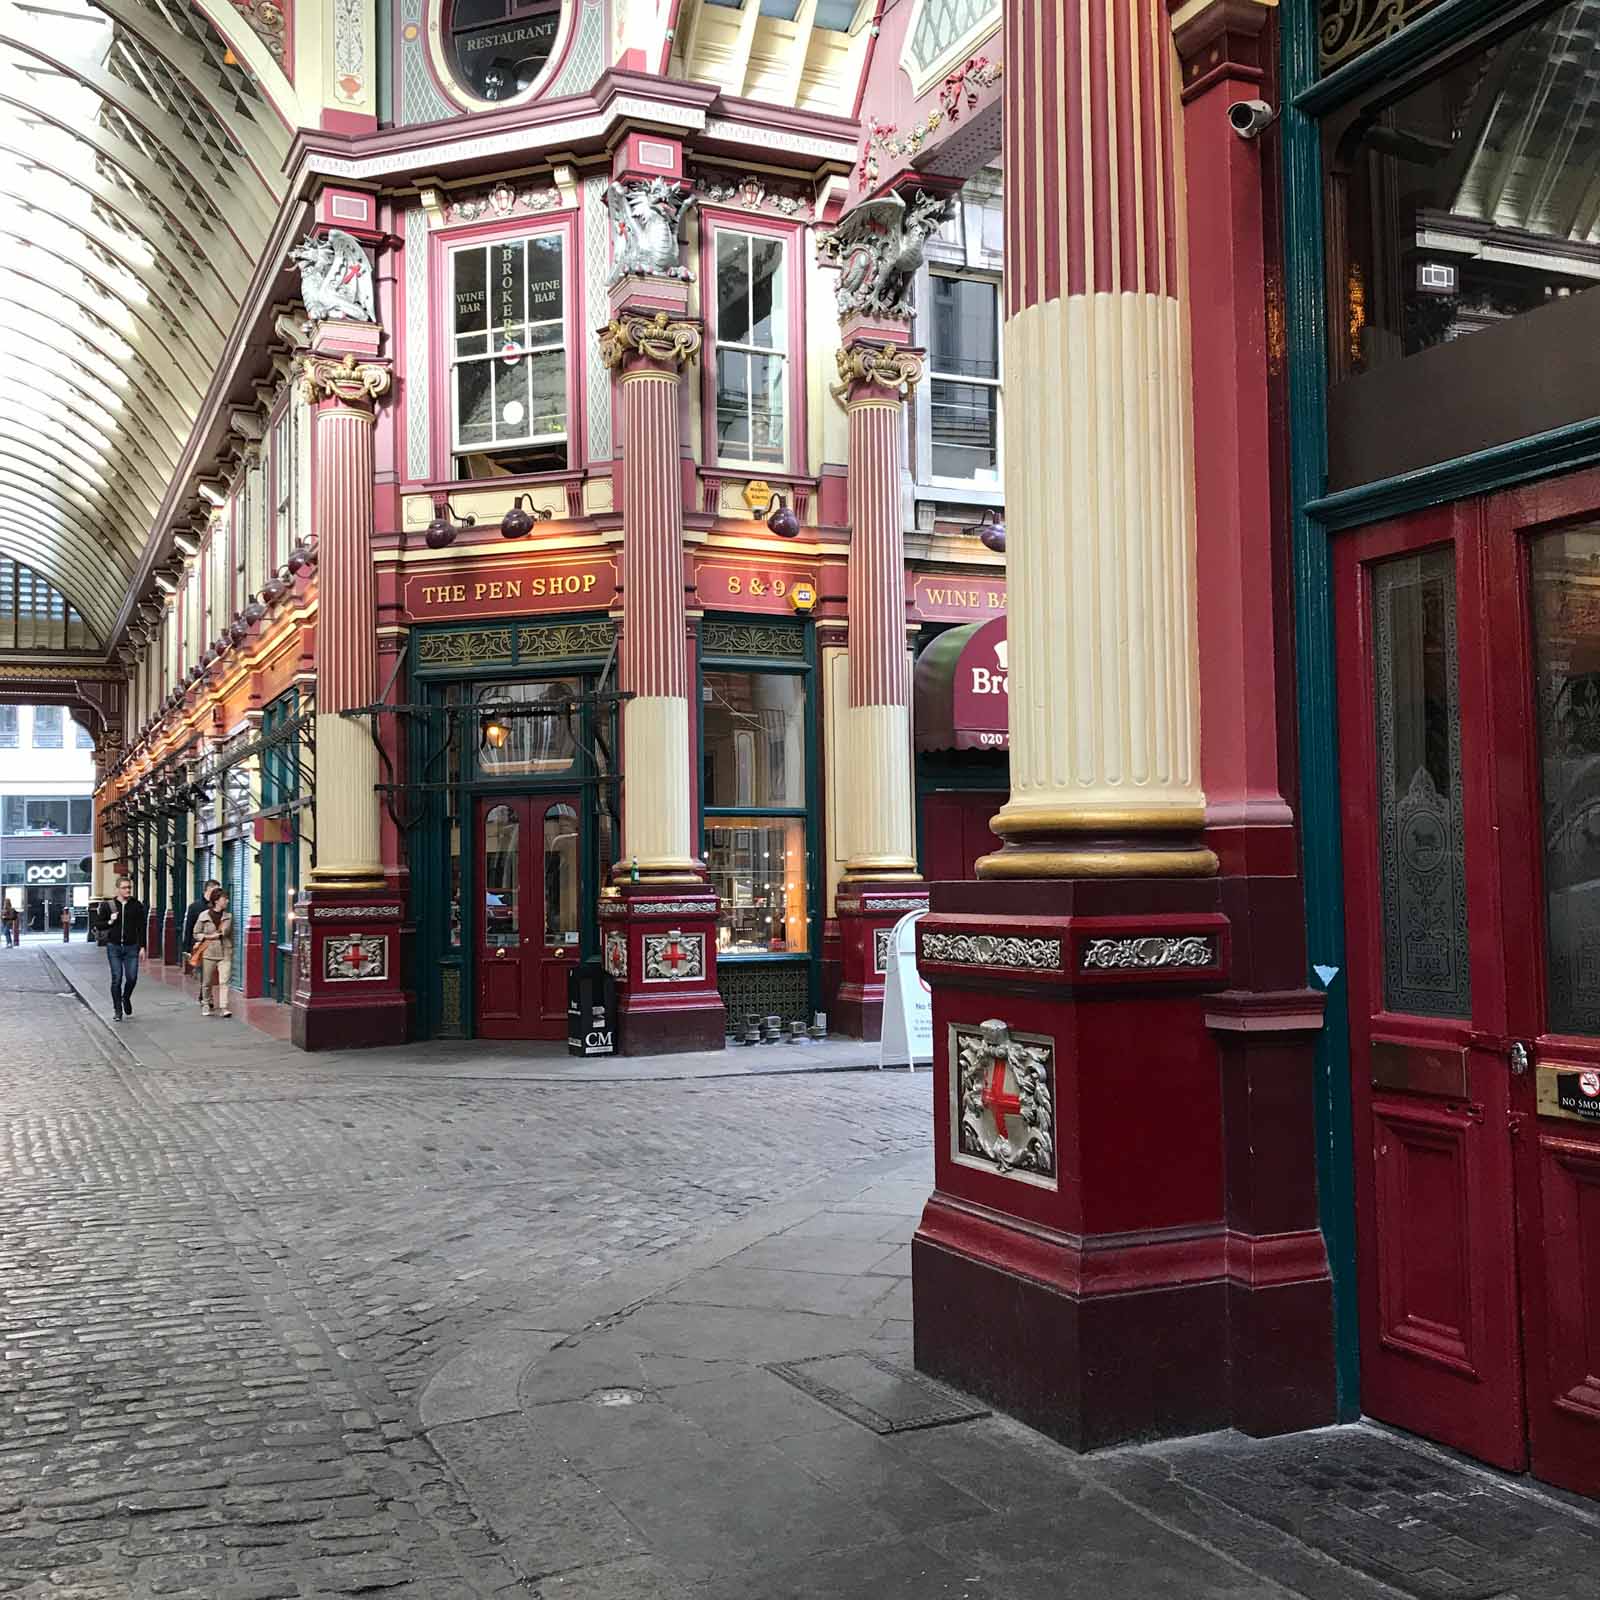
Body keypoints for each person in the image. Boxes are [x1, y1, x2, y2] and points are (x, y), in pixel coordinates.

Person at [95, 877, 147, 1022]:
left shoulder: (136, 905)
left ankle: (126, 998)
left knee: (132, 977)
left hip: (131, 947)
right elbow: (98, 925)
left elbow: (141, 927)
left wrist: (143, 946)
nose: (128, 890)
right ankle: (118, 1009)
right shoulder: (108, 905)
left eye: (129, 887)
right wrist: (110, 921)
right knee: (116, 979)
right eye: (124, 887)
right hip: (114, 947)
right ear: (118, 889)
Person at [192, 888, 235, 1019]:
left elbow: (229, 934)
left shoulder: (228, 916)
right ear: (216, 900)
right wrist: (207, 937)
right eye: (224, 898)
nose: (227, 900)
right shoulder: (204, 916)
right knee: (207, 981)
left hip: (225, 951)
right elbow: (196, 933)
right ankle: (206, 1003)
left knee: (224, 981)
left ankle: (224, 1007)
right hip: (209, 952)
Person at [182, 878, 221, 998]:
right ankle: (206, 996)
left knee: (211, 972)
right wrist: (186, 948)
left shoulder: (218, 907)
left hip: (215, 944)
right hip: (200, 945)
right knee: (205, 971)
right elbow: (189, 928)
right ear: (208, 890)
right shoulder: (194, 907)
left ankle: (204, 994)